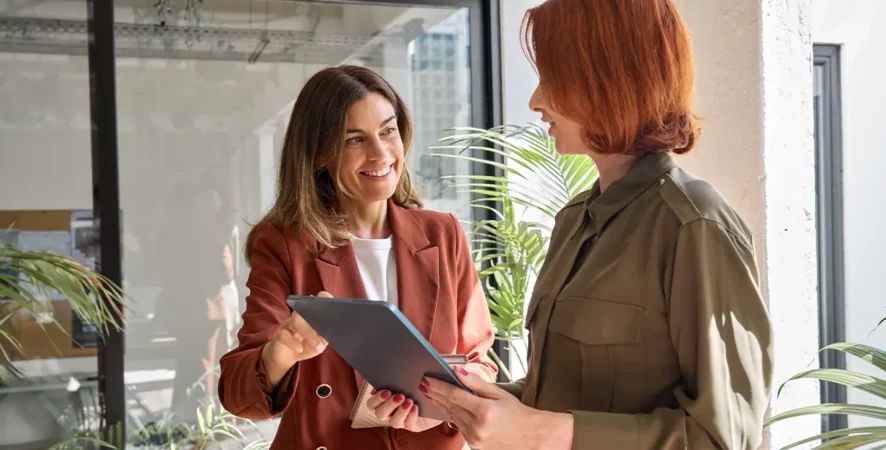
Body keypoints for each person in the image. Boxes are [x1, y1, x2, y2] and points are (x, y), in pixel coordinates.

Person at [421, 1, 774, 449]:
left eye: (553, 78)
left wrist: (544, 432)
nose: (536, 101)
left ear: (609, 79)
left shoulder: (693, 224)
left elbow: (725, 437)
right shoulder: (573, 220)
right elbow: (567, 394)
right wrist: (467, 401)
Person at [217, 65, 498, 450]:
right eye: (354, 140)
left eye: (388, 131)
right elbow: (237, 394)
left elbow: (479, 360)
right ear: (319, 154)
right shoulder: (285, 244)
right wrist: (280, 352)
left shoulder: (442, 233)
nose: (380, 153)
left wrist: (436, 409)